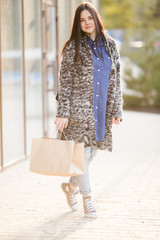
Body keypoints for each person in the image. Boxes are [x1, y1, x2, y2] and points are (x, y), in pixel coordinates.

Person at [54, 2, 123, 218]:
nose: (86, 23)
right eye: (82, 20)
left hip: (100, 110)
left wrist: (116, 109)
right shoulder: (72, 47)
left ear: (96, 18)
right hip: (77, 111)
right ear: (78, 22)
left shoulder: (110, 45)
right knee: (82, 156)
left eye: (89, 18)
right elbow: (64, 82)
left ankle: (71, 186)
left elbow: (116, 78)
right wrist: (63, 112)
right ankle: (88, 198)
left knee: (90, 154)